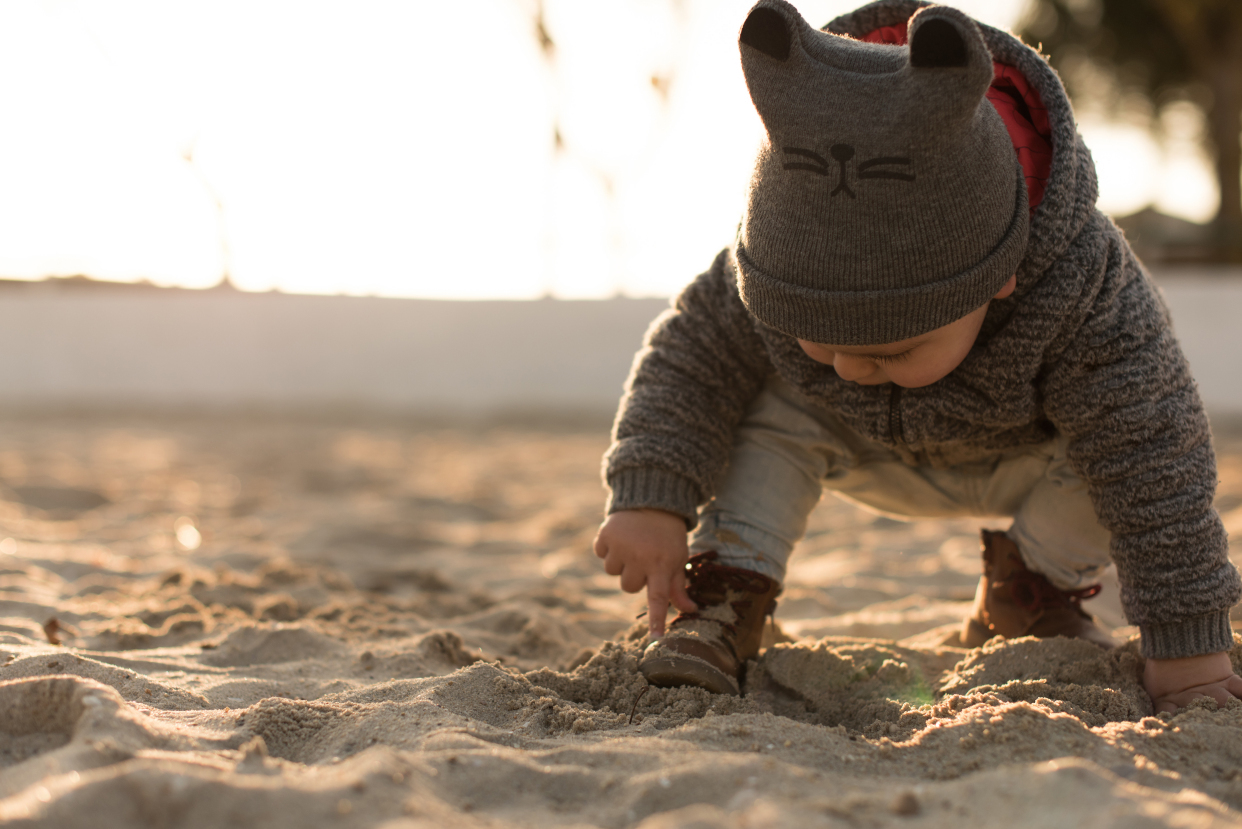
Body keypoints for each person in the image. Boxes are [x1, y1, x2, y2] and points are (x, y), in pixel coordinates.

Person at [592, 0, 1242, 714]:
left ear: (1000, 277)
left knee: (1121, 453)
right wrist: (650, 496)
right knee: (768, 407)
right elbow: (691, 354)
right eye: (824, 340)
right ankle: (724, 592)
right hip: (851, 444)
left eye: (893, 348)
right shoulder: (782, 259)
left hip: (1024, 458)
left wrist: (1187, 647)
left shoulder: (1085, 288)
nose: (850, 367)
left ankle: (1030, 584)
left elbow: (1155, 455)